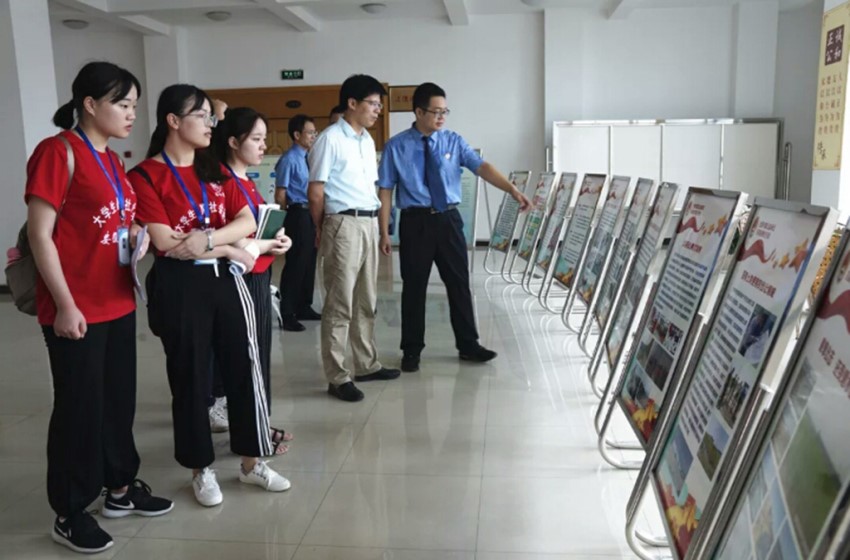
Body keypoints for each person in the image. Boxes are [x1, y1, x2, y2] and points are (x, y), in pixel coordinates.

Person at [25, 61, 172, 554]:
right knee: (79, 409)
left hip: (117, 301)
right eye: (122, 104)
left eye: (134, 105)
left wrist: (137, 236)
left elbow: (112, 223)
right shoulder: (57, 152)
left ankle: (120, 488)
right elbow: (41, 236)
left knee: (117, 403)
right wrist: (64, 305)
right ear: (89, 104)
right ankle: (70, 511)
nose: (132, 113)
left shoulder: (112, 160)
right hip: (76, 309)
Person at [129, 84, 291, 508]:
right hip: (181, 285)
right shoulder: (145, 176)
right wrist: (230, 247)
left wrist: (209, 240)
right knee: (191, 377)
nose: (210, 123)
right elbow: (165, 242)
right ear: (173, 121)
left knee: (245, 368)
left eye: (210, 116)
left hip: (227, 280)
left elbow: (247, 219)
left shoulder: (213, 169)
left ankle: (253, 461)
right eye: (201, 115)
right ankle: (200, 468)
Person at [378, 82, 531, 372]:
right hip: (415, 222)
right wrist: (384, 231)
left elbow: (481, 167)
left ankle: (469, 344)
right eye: (435, 112)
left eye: (445, 111)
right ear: (418, 112)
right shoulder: (396, 146)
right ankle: (411, 350)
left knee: (459, 283)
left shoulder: (453, 141)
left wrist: (512, 189)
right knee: (414, 287)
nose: (441, 117)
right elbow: (385, 189)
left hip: (448, 219)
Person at [308, 74, 401, 402]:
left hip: (368, 222)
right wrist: (322, 228)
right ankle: (337, 376)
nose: (377, 110)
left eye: (379, 105)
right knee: (340, 303)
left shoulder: (365, 141)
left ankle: (366, 364)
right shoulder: (330, 139)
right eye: (372, 104)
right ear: (352, 103)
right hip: (343, 223)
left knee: (365, 300)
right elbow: (316, 191)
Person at [210, 106, 294, 454]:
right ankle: (255, 432)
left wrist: (277, 240)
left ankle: (258, 425)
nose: (263, 146)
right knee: (250, 359)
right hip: (241, 279)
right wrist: (265, 245)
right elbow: (236, 241)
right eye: (256, 139)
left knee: (257, 357)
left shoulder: (244, 181)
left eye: (263, 139)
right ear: (233, 141)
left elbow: (257, 231)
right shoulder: (224, 181)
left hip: (258, 274)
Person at [275, 113, 320, 332]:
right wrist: (285, 219)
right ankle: (287, 312)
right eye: (310, 132)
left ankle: (304, 306)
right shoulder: (289, 159)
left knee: (310, 261)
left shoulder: (310, 157)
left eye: (315, 132)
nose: (313, 136)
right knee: (296, 263)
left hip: (311, 212)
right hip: (297, 214)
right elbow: (280, 194)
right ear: (296, 135)